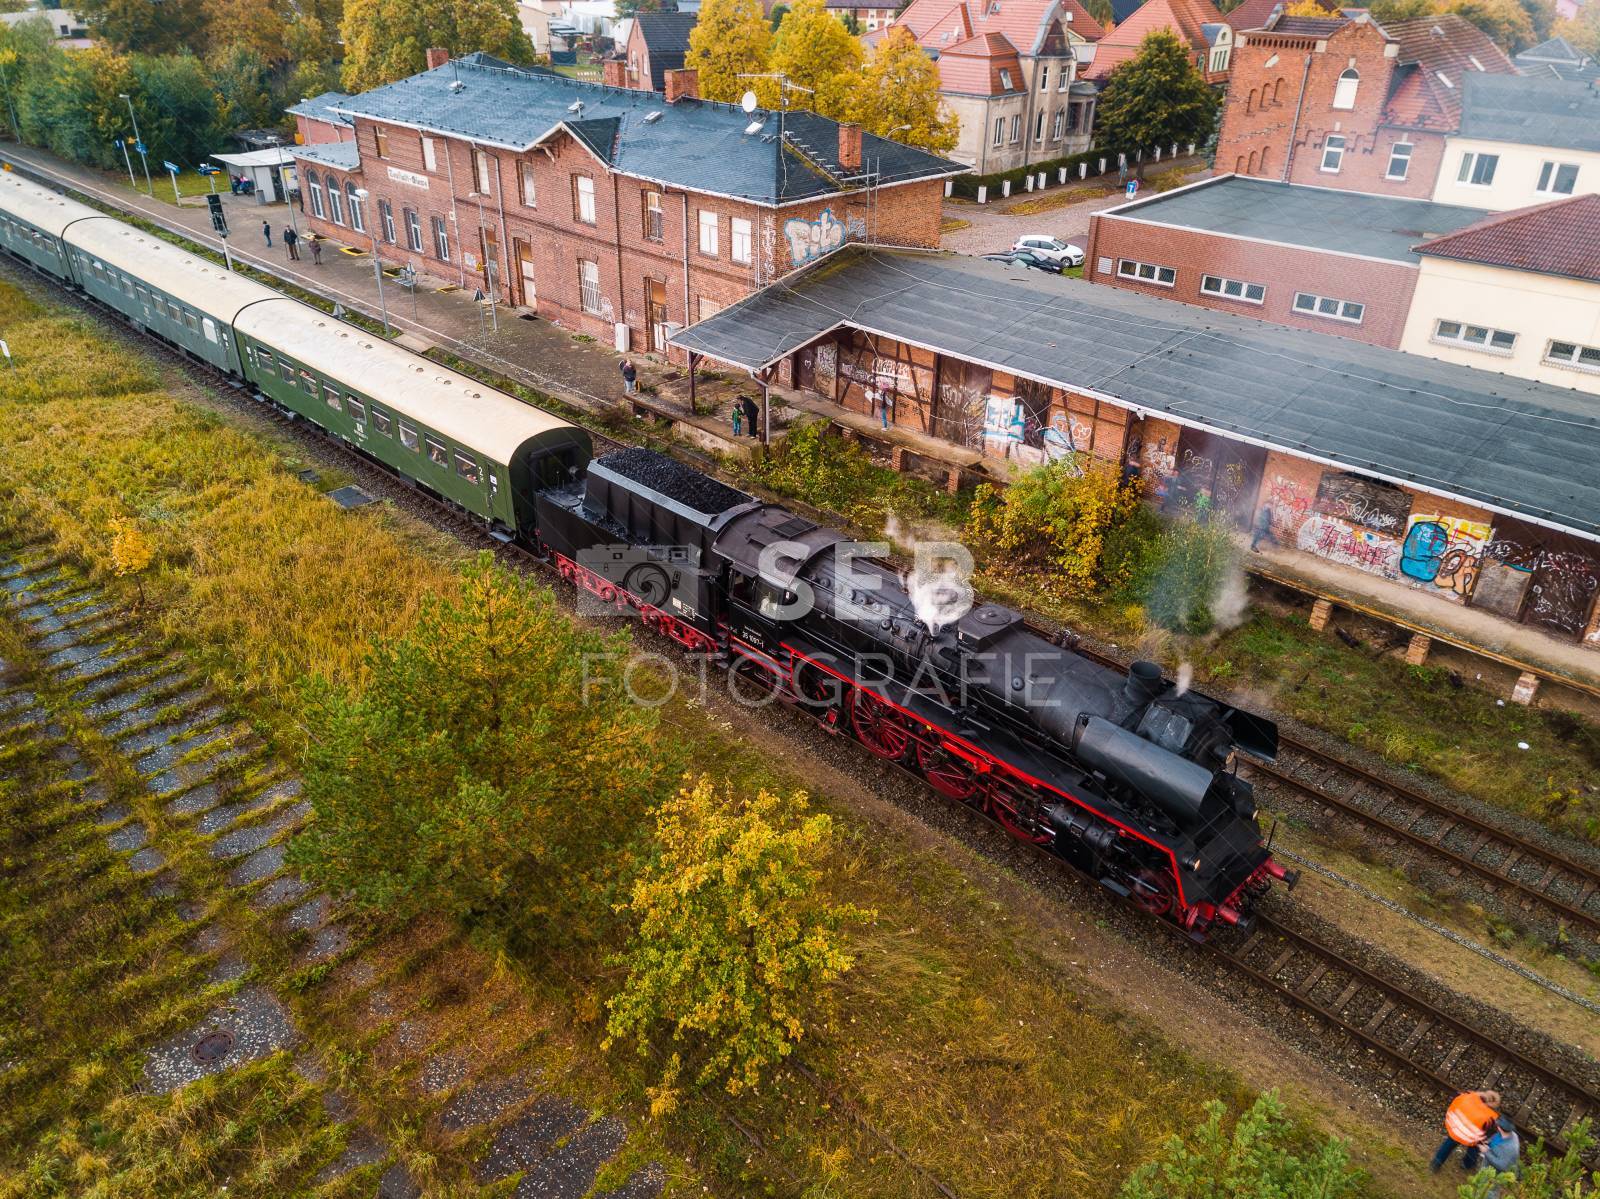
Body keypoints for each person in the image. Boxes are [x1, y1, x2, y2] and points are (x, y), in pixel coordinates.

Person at [1432, 1090, 1501, 1172]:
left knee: (1447, 1146)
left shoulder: (1469, 1097)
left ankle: (1435, 1165)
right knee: (1475, 1148)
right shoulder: (1490, 1117)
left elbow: (1458, 1099)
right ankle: (1467, 1164)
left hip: (1457, 1129)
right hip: (1471, 1137)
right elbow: (1487, 1131)